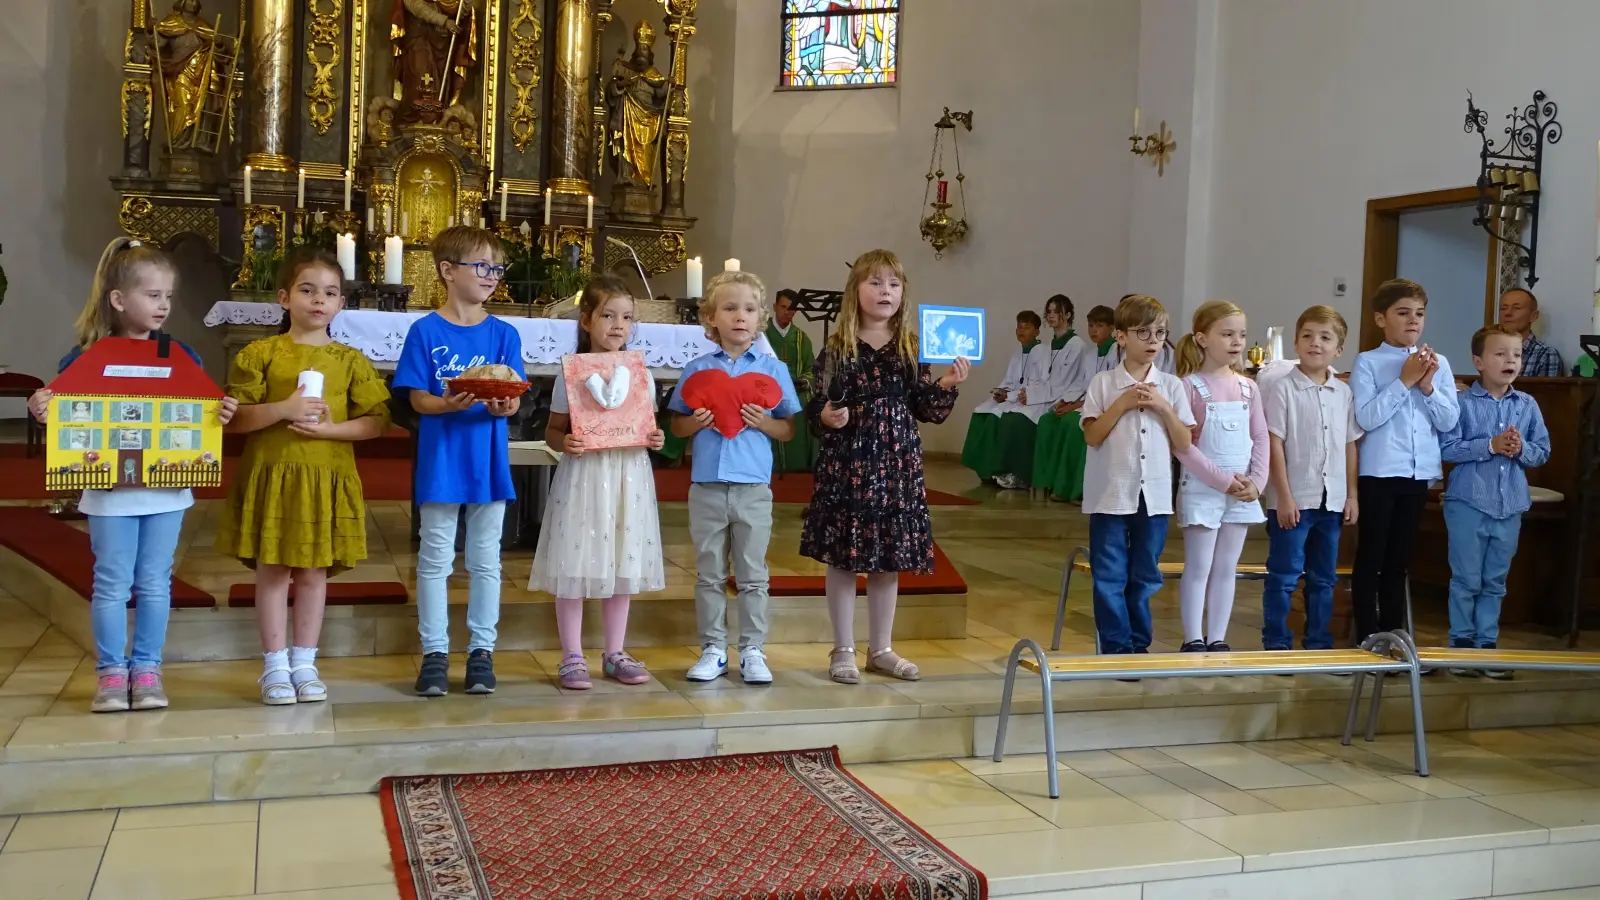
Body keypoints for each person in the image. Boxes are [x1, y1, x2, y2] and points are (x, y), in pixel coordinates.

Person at [26, 237, 237, 713]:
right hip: (109, 495)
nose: (163, 305)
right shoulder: (83, 358)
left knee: (156, 582)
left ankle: (147, 669)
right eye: (152, 295)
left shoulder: (183, 355)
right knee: (111, 582)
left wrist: (219, 414)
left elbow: (199, 410)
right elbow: (63, 414)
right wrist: (43, 409)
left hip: (166, 492)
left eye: (168, 296)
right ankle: (110, 673)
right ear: (119, 300)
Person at [217, 249, 389, 705]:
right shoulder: (261, 354)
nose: (319, 300)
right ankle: (274, 666)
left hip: (326, 477)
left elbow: (376, 422)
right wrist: (282, 410)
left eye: (330, 293)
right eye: (308, 290)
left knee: (314, 574)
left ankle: (305, 662)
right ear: (284, 297)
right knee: (273, 570)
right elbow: (234, 419)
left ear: (340, 304)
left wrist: (331, 429)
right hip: (274, 475)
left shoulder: (350, 360)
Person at [803, 250, 969, 684]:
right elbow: (816, 404)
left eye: (893, 284)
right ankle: (842, 648)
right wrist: (825, 416)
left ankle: (881, 649)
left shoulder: (911, 348)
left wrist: (948, 384)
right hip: (849, 464)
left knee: (886, 562)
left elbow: (926, 408)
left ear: (903, 294)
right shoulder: (837, 347)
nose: (885, 291)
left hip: (896, 466)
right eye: (875, 283)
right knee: (842, 559)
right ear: (856, 290)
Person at [393, 225, 524, 697]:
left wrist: (504, 406)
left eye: (496, 267)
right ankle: (434, 653)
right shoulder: (425, 331)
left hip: (487, 459)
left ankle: (481, 653)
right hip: (442, 457)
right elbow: (417, 399)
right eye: (481, 266)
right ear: (448, 271)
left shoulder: (504, 333)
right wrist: (446, 404)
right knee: (435, 558)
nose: (491, 275)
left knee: (486, 559)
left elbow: (513, 394)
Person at [532, 275, 667, 689]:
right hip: (587, 475)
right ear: (587, 320)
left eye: (626, 317)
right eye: (608, 315)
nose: (617, 325)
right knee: (576, 559)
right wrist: (565, 442)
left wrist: (656, 438)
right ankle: (572, 655)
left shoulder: (639, 374)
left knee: (622, 556)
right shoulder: (570, 375)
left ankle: (614, 652)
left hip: (628, 474)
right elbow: (553, 430)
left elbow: (647, 426)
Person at [669, 270, 801, 685]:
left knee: (752, 571)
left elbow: (789, 429)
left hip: (752, 486)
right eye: (729, 308)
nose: (739, 317)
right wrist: (696, 422)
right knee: (709, 570)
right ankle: (712, 648)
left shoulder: (772, 369)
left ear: (760, 316)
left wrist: (764, 423)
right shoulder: (696, 368)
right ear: (711, 317)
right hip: (707, 485)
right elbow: (677, 427)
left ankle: (752, 649)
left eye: (748, 309)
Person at [1080, 295, 1194, 655]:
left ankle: (1138, 644)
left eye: (1160, 333)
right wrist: (1123, 403)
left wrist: (1162, 407)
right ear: (1121, 336)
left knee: (1144, 575)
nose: (1153, 341)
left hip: (1155, 498)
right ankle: (1116, 646)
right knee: (1110, 575)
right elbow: (1092, 436)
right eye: (1142, 333)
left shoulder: (1172, 387)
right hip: (1110, 495)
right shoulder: (1102, 383)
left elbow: (1184, 441)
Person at [1351, 278, 1459, 642]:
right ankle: (1366, 634)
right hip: (1380, 472)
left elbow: (1448, 422)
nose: (1413, 320)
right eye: (1403, 313)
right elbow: (1366, 418)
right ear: (1381, 319)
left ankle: (1393, 635)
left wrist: (1427, 386)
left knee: (1399, 560)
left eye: (1419, 314)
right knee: (1372, 556)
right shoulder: (1368, 362)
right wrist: (1405, 381)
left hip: (1418, 474)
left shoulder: (1438, 363)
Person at [1440, 325, 1550, 679]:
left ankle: (1487, 644)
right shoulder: (1462, 403)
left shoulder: (1527, 405)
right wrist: (1489, 445)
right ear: (1478, 361)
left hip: (1511, 505)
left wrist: (1522, 449)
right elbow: (1447, 448)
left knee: (1495, 580)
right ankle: (1461, 643)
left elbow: (1542, 452)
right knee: (1467, 577)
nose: (1510, 360)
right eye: (1500, 354)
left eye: (1516, 355)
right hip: (1468, 503)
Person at [1261, 306, 1360, 652]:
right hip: (1294, 500)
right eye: (1307, 335)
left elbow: (1348, 444)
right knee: (1284, 576)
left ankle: (1318, 642)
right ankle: (1276, 642)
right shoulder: (1282, 388)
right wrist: (1283, 496)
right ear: (1296, 342)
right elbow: (1274, 442)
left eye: (1325, 337)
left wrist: (1351, 494)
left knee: (1324, 577)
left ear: (1339, 349)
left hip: (1331, 501)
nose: (1315, 343)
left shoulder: (1343, 393)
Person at [1171, 301, 1267, 652]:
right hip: (1202, 488)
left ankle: (1218, 638)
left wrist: (1257, 481)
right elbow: (1184, 447)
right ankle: (1193, 637)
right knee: (1199, 565)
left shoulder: (1248, 388)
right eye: (1227, 334)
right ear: (1202, 338)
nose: (1236, 341)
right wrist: (1222, 480)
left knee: (1227, 567)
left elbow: (1260, 437)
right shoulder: (1189, 387)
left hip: (1241, 490)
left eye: (1241, 335)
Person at [961, 310, 1043, 487]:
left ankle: (1005, 470)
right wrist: (1001, 391)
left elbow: (1038, 385)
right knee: (980, 412)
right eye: (1019, 327)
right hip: (1012, 398)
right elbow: (1009, 380)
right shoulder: (1017, 354)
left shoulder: (1042, 353)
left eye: (1026, 327)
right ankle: (984, 469)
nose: (1021, 331)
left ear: (1037, 331)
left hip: (1029, 400)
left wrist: (1010, 395)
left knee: (1001, 418)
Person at [1032, 297, 1103, 503]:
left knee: (1071, 423)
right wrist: (1066, 401)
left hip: (1091, 406)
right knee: (1047, 421)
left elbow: (1074, 383)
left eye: (1057, 311)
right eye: (1049, 311)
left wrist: (1073, 403)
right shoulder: (1090, 355)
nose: (1052, 315)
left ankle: (1070, 487)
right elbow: (1080, 384)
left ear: (1069, 315)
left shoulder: (1078, 346)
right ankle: (1047, 482)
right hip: (1067, 399)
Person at [767, 288, 818, 472]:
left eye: (792, 309)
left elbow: (810, 368)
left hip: (795, 391)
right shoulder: (761, 335)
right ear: (775, 306)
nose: (787, 312)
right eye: (783, 307)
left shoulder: (801, 338)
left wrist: (804, 381)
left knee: (806, 404)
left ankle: (799, 467)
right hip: (766, 390)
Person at [1496, 288, 1563, 378]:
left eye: (1516, 308)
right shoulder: (1490, 351)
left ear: (1533, 316)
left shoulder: (1545, 355)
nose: (1507, 313)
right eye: (1503, 308)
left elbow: (1545, 391)